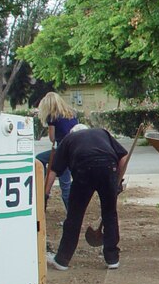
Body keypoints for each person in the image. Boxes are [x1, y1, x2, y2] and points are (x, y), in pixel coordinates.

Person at [45, 124, 128, 271]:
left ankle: (62, 260)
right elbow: (123, 157)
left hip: (84, 169)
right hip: (108, 167)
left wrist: (45, 194)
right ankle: (112, 259)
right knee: (109, 214)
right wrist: (117, 182)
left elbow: (53, 170)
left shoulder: (68, 139)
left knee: (74, 216)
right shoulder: (102, 132)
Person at [35, 91, 78, 207]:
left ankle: (42, 185)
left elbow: (52, 138)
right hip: (74, 149)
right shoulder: (72, 114)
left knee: (39, 159)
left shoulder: (52, 116)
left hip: (62, 151)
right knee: (67, 182)